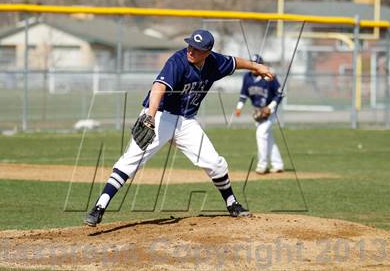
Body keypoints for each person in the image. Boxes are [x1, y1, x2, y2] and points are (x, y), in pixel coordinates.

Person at [84, 29, 274, 226]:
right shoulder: (177, 61)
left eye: (197, 48)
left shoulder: (215, 62)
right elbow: (158, 87)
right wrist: (150, 117)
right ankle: (99, 207)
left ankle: (232, 203)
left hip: (186, 122)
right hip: (160, 115)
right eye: (190, 45)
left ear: (207, 52)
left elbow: (235, 62)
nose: (191, 50)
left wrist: (256, 67)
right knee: (130, 161)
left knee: (215, 163)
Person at [234, 54, 284, 174]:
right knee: (268, 137)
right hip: (257, 111)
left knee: (261, 134)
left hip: (269, 111)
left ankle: (262, 165)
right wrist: (239, 107)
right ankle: (278, 164)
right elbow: (244, 94)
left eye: (257, 64)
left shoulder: (269, 76)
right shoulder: (247, 77)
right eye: (253, 64)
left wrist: (270, 107)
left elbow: (280, 94)